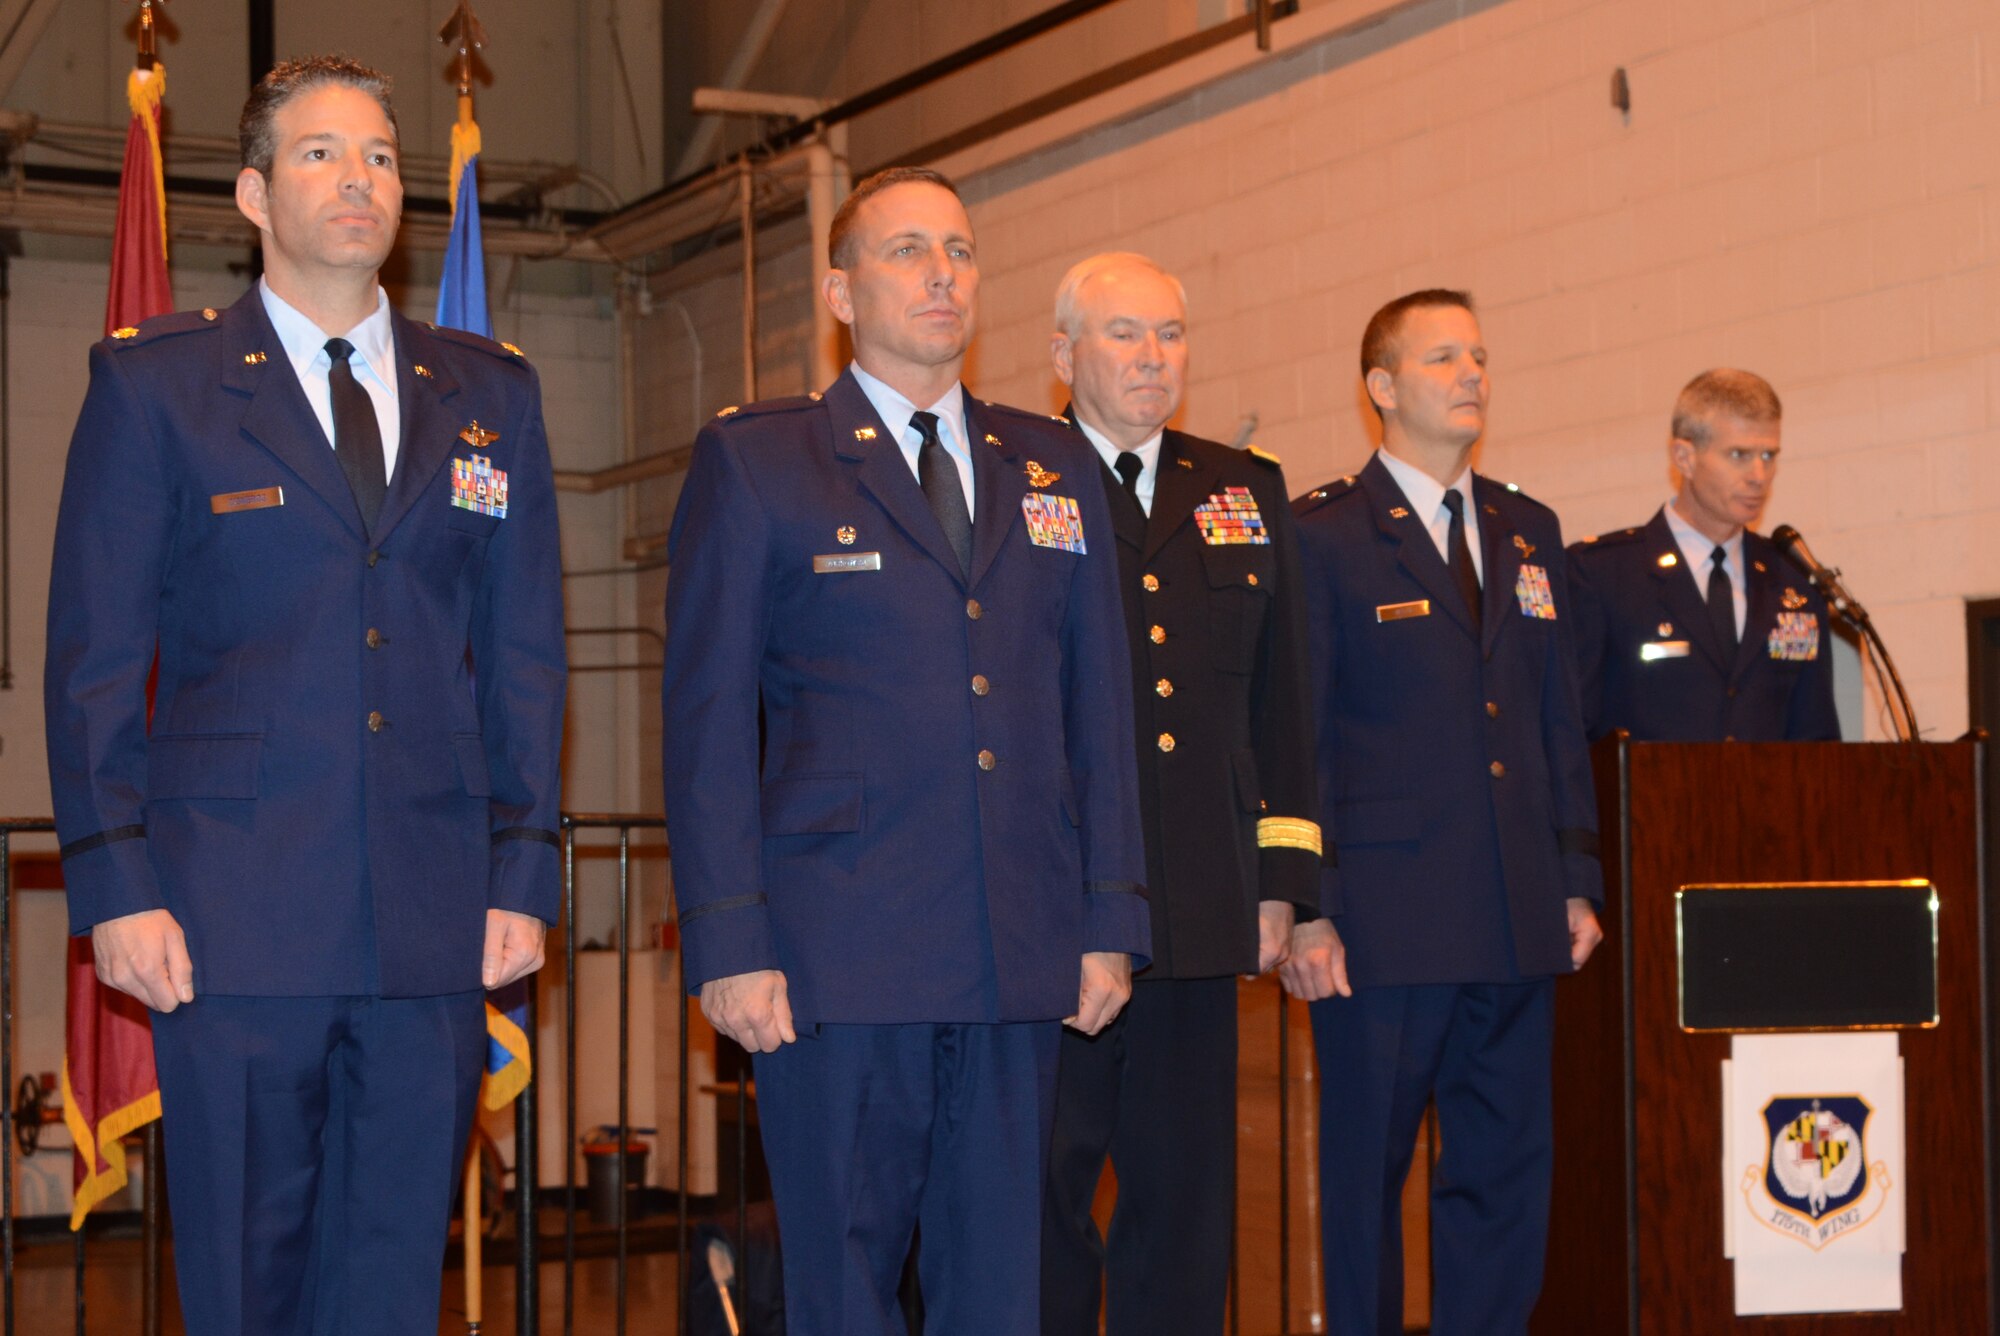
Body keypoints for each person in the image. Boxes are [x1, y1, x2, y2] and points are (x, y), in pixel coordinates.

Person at [42, 57, 566, 1336]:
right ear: (255, 195)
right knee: (244, 1288)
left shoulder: (489, 395)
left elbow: (524, 657)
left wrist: (521, 868)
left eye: (382, 155)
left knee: (391, 1287)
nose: (361, 178)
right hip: (229, 919)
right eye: (324, 153)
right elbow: (95, 657)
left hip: (432, 918)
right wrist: (117, 884)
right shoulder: (156, 384)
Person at [660, 167, 1147, 1336]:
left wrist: (1107, 917)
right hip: (836, 955)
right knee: (842, 1281)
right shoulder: (760, 460)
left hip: (1012, 941)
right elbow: (708, 717)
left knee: (998, 1287)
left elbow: (1098, 705)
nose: (942, 274)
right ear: (838, 289)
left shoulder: (1051, 463)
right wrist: (730, 937)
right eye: (906, 251)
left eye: (960, 251)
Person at [1283, 289, 1603, 1335]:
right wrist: (1307, 906)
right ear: (1379, 388)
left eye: (1476, 356)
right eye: (1441, 359)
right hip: (1382, 921)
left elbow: (1556, 718)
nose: (1470, 375)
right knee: (1365, 1174)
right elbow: (1299, 735)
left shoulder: (1527, 528)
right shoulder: (1322, 535)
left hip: (1513, 911)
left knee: (1503, 1171)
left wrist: (1574, 876)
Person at [1038, 252, 1319, 1336]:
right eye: (1122, 334)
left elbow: (1281, 703)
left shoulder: (1241, 488)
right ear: (1063, 353)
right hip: (1062, 905)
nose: (1151, 358)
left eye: (1168, 335)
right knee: (1045, 1197)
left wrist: (1283, 879)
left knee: (1185, 1208)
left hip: (1202, 904)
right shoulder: (1021, 478)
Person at [1568, 369, 1840, 741]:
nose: (1759, 475)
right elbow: (1572, 737)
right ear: (1685, 457)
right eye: (1739, 455)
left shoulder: (1792, 583)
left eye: (1768, 455)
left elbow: (1816, 741)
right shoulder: (1603, 576)